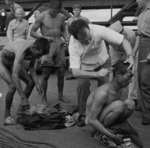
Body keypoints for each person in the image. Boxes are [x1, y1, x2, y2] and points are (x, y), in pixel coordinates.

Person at [68, 19, 134, 127]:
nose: (88, 42)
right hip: (84, 64)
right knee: (82, 85)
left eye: (89, 38)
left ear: (89, 28)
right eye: (84, 41)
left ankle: (106, 112)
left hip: (102, 60)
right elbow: (75, 72)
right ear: (76, 38)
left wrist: (130, 56)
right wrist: (96, 74)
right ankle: (84, 114)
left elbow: (123, 41)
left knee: (107, 87)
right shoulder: (73, 43)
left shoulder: (99, 30)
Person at [0, 38, 50, 125]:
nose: (39, 57)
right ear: (34, 47)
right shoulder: (21, 50)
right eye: (39, 54)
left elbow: (31, 68)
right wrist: (23, 98)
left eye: (40, 55)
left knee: (31, 82)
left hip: (13, 63)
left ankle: (21, 109)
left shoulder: (34, 49)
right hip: (1, 63)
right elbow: (15, 76)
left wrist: (38, 84)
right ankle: (6, 116)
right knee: (12, 86)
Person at [85, 61, 135, 145]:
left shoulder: (119, 88)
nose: (130, 81)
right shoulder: (103, 93)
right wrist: (113, 137)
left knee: (130, 103)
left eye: (131, 77)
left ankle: (112, 128)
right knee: (118, 105)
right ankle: (100, 133)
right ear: (118, 74)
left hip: (103, 118)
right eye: (128, 77)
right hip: (92, 125)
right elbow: (91, 120)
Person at [30, 0, 69, 106]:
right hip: (47, 46)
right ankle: (44, 98)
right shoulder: (42, 16)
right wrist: (44, 37)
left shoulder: (61, 17)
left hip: (59, 45)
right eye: (54, 11)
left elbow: (63, 30)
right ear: (49, 7)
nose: (56, 13)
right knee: (46, 74)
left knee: (61, 72)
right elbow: (32, 33)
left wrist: (66, 38)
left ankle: (60, 95)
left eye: (58, 11)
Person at [109, 21, 140, 103]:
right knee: (110, 69)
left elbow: (133, 47)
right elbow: (113, 48)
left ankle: (133, 97)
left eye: (122, 33)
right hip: (116, 50)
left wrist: (131, 56)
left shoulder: (131, 34)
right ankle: (110, 92)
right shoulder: (108, 37)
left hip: (131, 49)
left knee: (133, 70)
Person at [132, 0, 150, 125]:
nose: (137, 0)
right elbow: (138, 35)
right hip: (143, 45)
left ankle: (147, 114)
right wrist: (132, 53)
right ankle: (145, 108)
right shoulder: (142, 13)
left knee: (145, 81)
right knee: (141, 80)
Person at [65, 4, 91, 80]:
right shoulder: (70, 20)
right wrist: (67, 39)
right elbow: (67, 30)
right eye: (74, 10)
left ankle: (84, 71)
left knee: (84, 54)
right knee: (72, 56)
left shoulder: (85, 19)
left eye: (77, 10)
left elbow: (91, 27)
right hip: (73, 40)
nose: (76, 12)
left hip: (83, 40)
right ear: (72, 11)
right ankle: (71, 73)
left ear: (80, 11)